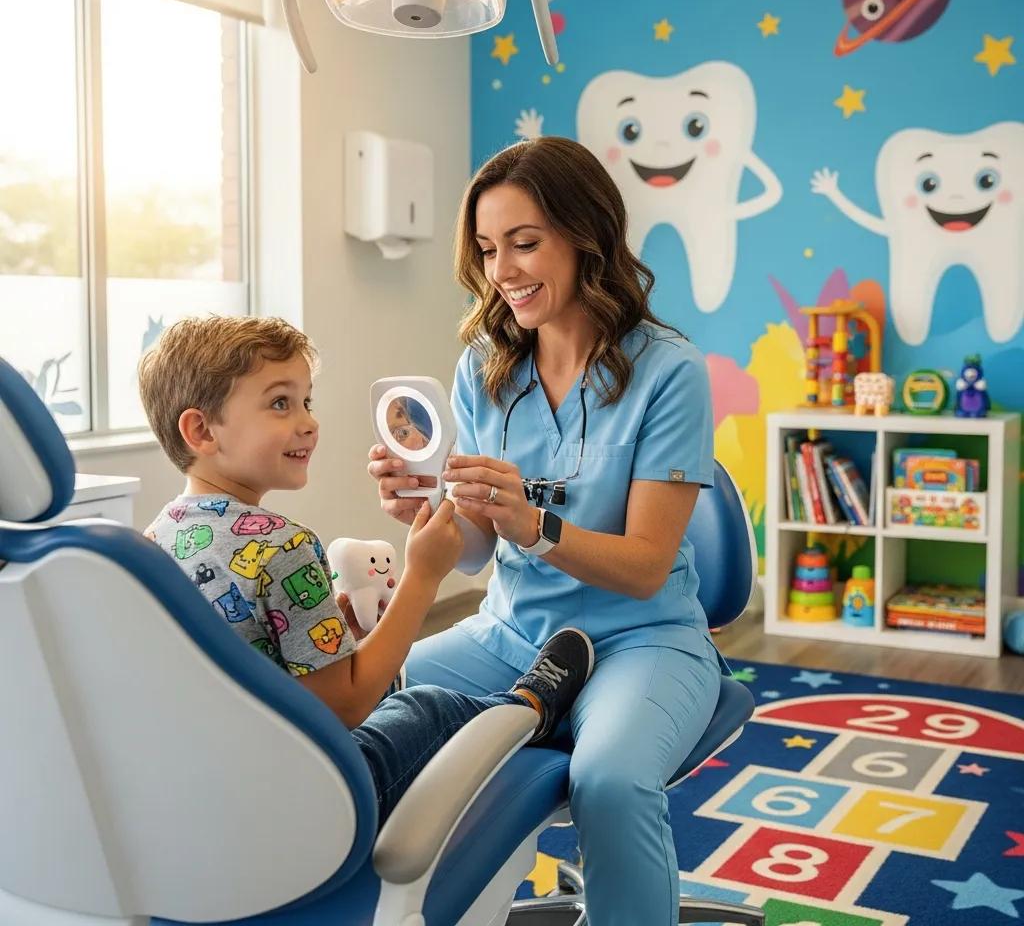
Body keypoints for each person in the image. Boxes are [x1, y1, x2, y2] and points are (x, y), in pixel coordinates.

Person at [369, 137, 724, 924]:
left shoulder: (669, 371)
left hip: (642, 638)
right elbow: (472, 552)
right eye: (490, 250)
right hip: (508, 633)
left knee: (610, 782)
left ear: (586, 235)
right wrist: (424, 515)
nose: (503, 271)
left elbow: (643, 568)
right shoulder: (486, 367)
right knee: (367, 708)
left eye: (525, 243)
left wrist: (534, 525)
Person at [138, 314, 594, 825]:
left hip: (225, 792)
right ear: (200, 430)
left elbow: (253, 660)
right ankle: (531, 708)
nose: (308, 422)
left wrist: (335, 639)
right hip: (315, 805)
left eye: (306, 401)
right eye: (279, 403)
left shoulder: (160, 534)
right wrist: (424, 575)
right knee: (426, 709)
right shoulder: (282, 546)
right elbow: (350, 704)